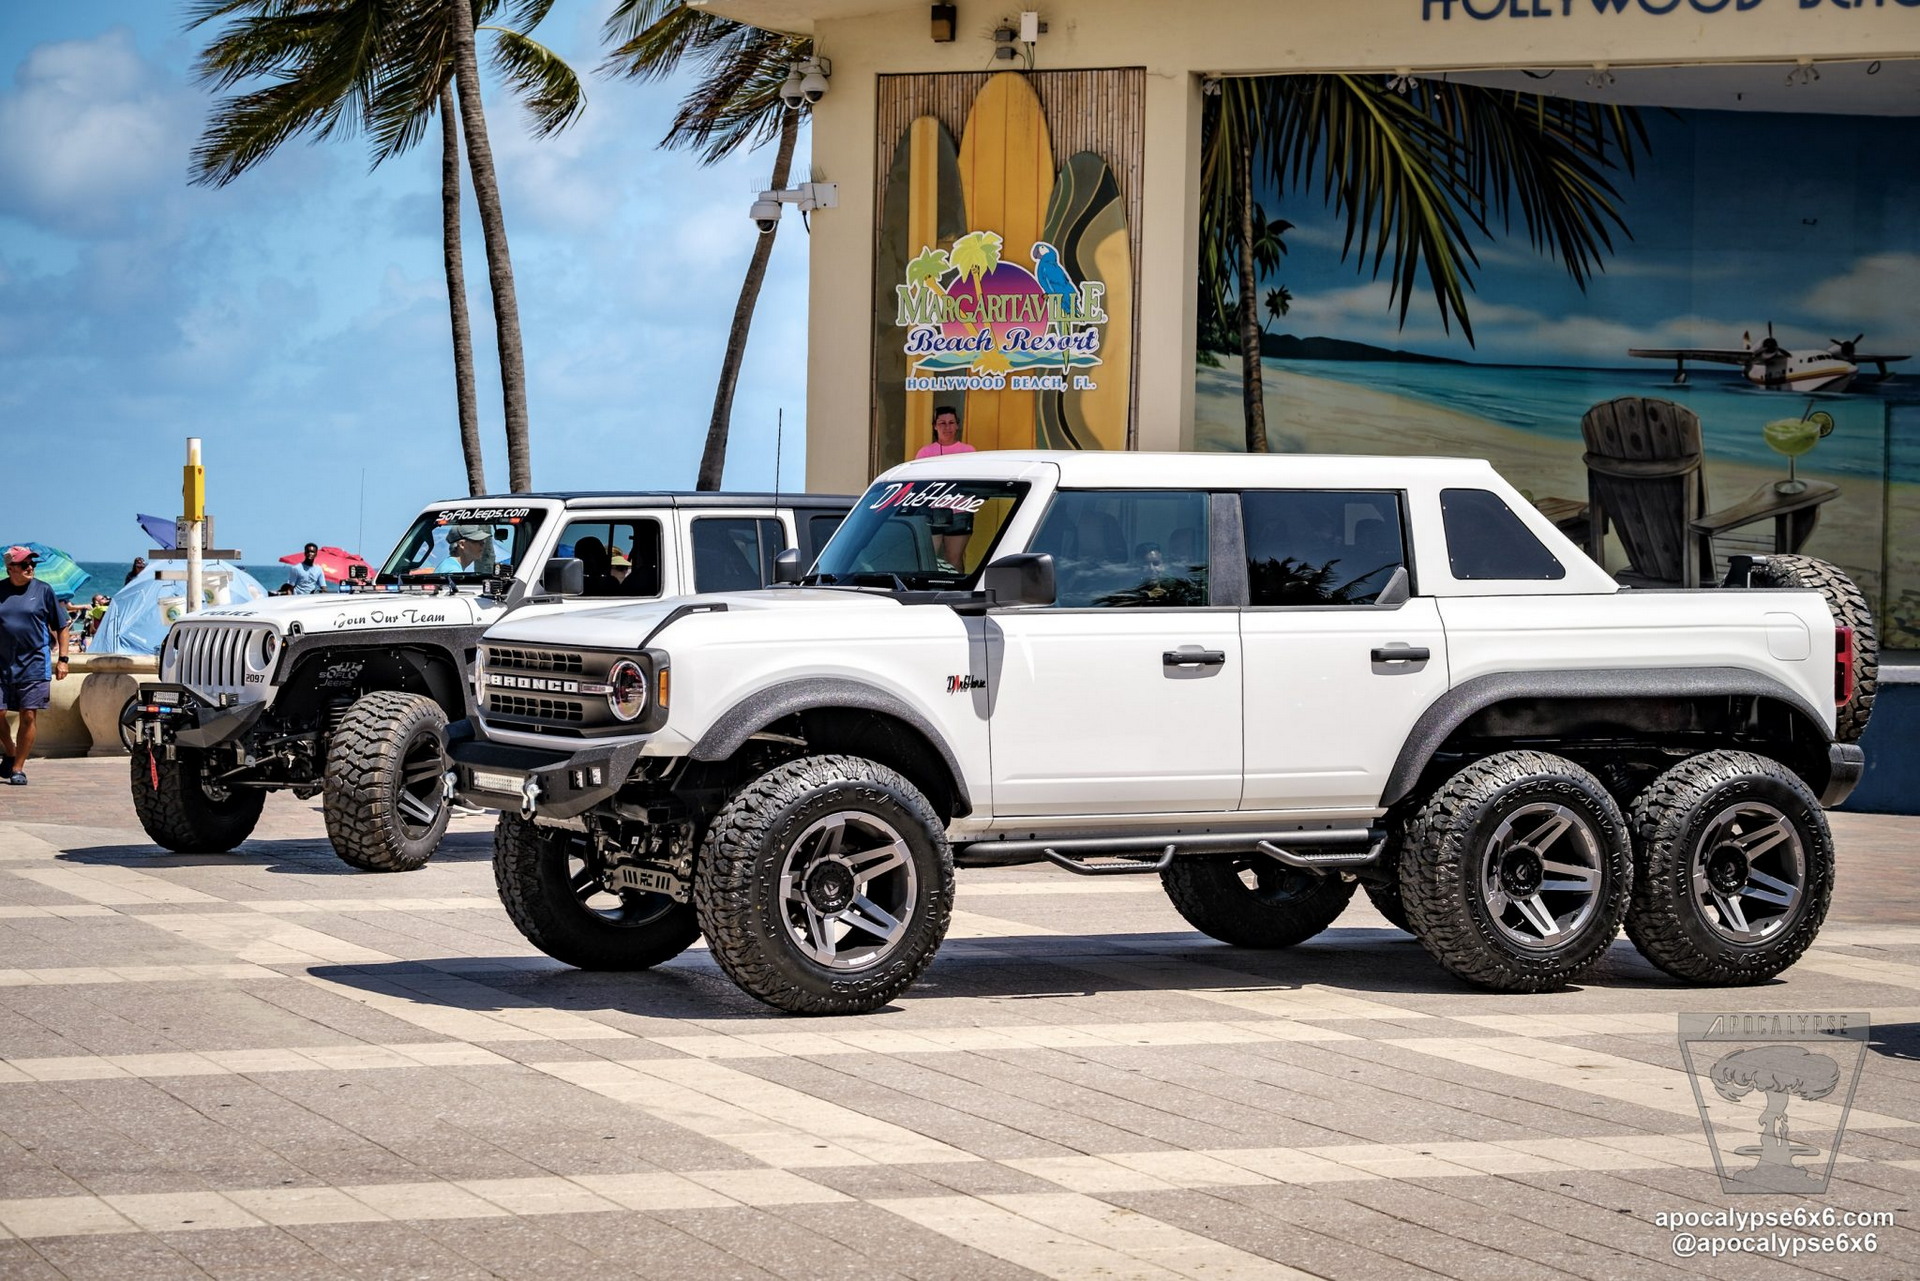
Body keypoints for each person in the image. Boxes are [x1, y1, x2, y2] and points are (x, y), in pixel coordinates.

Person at [0, 547, 71, 786]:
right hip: (2, 664)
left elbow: (62, 626)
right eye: (23, 565)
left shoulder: (43, 591)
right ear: (10, 568)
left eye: (33, 564)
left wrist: (63, 659)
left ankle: (18, 768)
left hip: (34, 664)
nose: (30, 568)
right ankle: (10, 750)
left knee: (28, 715)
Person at [915, 406, 977, 567]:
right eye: (942, 423)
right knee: (928, 558)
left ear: (957, 425)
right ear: (935, 426)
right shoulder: (925, 452)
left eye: (951, 423)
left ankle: (958, 592)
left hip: (959, 510)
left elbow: (973, 481)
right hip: (931, 511)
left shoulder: (968, 451)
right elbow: (918, 483)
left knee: (954, 558)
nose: (947, 427)